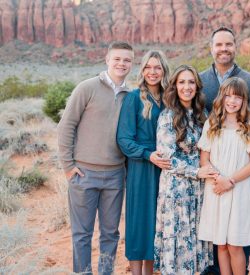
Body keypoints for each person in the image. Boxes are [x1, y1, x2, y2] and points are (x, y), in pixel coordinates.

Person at [57, 41, 134, 274]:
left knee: (111, 234)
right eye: (117, 59)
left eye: (127, 60)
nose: (122, 63)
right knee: (82, 234)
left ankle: (106, 271)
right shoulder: (87, 88)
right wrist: (68, 166)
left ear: (132, 63)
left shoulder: (130, 96)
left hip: (114, 175)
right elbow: (66, 125)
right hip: (84, 173)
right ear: (107, 60)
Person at [199, 26, 250, 275]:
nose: (224, 49)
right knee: (221, 243)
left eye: (228, 44)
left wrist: (233, 179)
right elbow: (204, 153)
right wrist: (218, 178)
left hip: (239, 182)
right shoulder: (202, 80)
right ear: (212, 48)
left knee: (237, 241)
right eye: (219, 44)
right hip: (216, 183)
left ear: (235, 47)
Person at [154, 65, 216, 275]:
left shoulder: (202, 114)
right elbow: (167, 158)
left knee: (196, 240)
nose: (187, 87)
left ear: (197, 87)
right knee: (178, 240)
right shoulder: (167, 116)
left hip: (199, 190)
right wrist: (197, 172)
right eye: (182, 82)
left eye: (191, 82)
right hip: (176, 189)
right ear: (174, 86)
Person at [116, 50, 170, 275]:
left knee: (158, 223)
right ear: (142, 70)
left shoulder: (170, 99)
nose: (152, 72)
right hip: (141, 167)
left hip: (166, 169)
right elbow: (124, 139)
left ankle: (151, 271)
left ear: (164, 70)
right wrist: (148, 155)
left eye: (157, 67)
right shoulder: (134, 97)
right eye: (148, 67)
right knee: (139, 220)